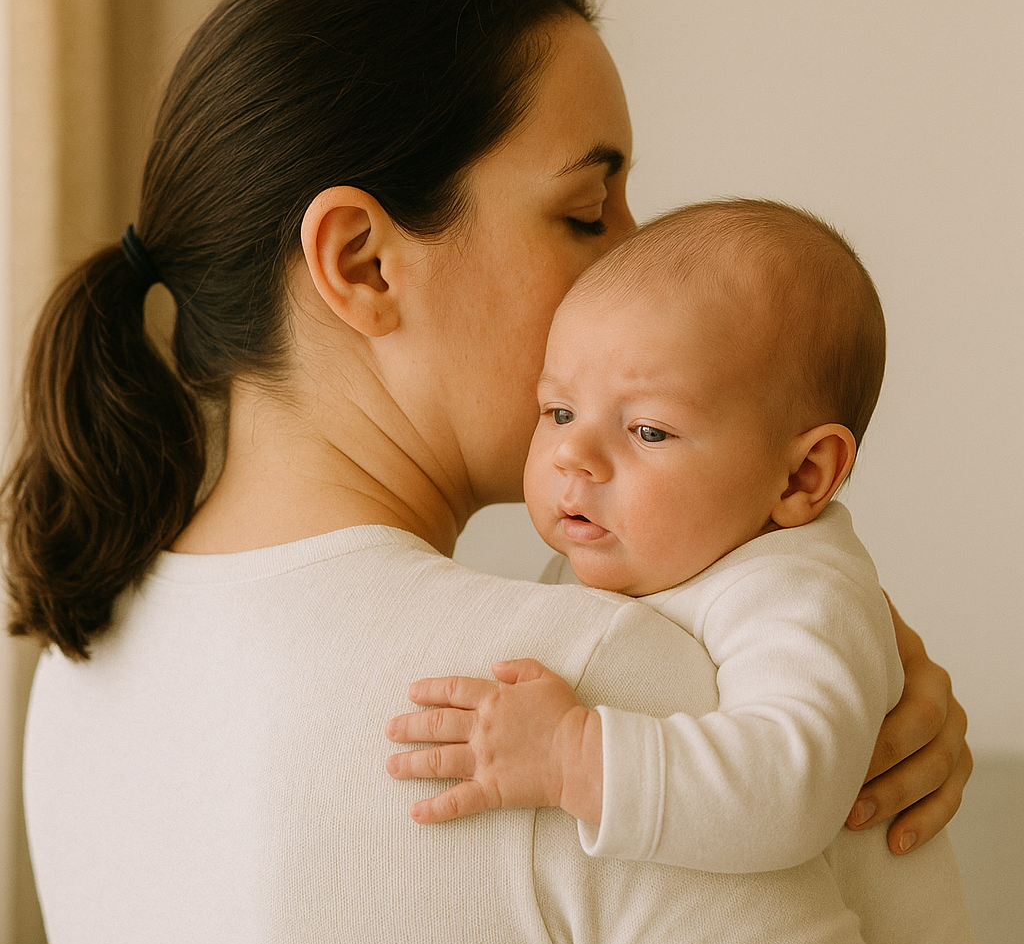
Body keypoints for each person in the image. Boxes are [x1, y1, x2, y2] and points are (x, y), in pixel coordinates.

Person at [3, 0, 971, 944]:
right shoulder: (590, 697)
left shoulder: (83, 661)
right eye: (588, 214)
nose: (641, 267)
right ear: (363, 262)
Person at [381, 202, 974, 895]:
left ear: (803, 475)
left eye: (649, 431)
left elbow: (787, 790)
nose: (573, 454)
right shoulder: (634, 559)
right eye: (559, 412)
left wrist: (571, 755)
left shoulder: (798, 594)